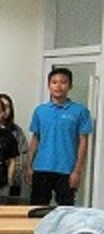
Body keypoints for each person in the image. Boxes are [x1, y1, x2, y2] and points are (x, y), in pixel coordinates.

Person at [26, 67, 92, 206]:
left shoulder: (80, 111)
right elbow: (35, 139)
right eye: (54, 82)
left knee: (66, 211)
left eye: (63, 82)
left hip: (66, 169)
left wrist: (77, 171)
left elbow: (83, 142)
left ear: (70, 86)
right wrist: (28, 166)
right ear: (49, 85)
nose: (58, 86)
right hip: (41, 167)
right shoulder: (40, 111)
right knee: (37, 209)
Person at [0, 92, 29, 199]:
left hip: (13, 179)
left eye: (7, 107)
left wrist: (13, 174)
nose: (4, 110)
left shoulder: (17, 132)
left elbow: (23, 154)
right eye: (1, 106)